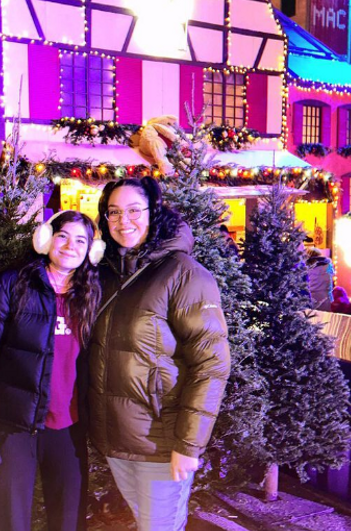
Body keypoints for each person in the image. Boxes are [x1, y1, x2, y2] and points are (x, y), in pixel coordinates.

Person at [92, 177, 230, 530]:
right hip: (117, 440)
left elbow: (211, 364)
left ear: (153, 212)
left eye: (134, 210)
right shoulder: (107, 273)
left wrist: (188, 444)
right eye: (113, 212)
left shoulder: (184, 274)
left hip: (162, 442)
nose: (123, 221)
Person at [0, 210, 103, 531]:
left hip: (68, 429)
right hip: (14, 427)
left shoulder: (93, 295)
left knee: (69, 522)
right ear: (45, 239)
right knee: (9, 522)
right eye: (63, 236)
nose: (70, 246)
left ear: (92, 251)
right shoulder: (11, 285)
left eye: (81, 240)